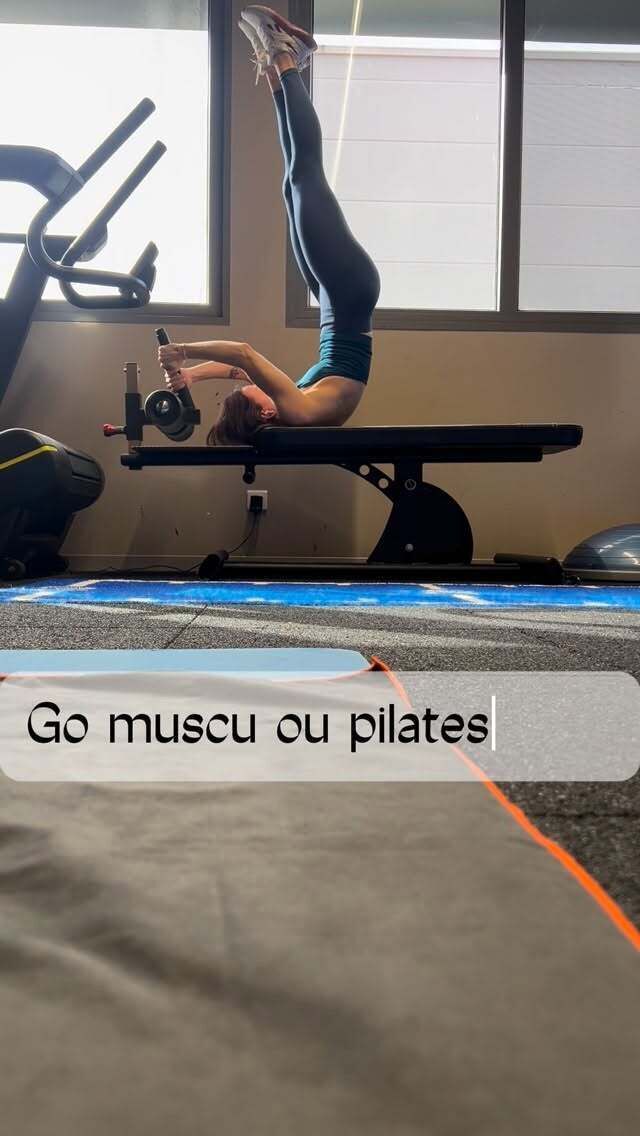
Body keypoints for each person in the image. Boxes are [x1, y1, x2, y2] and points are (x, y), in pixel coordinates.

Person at [158, 5, 380, 445]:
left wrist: (192, 375)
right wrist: (181, 350)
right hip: (349, 294)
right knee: (304, 176)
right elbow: (243, 354)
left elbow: (238, 370)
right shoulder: (297, 410)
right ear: (263, 411)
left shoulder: (290, 405)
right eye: (246, 394)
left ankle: (280, 67)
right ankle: (284, 54)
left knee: (290, 185)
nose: (246, 384)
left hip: (337, 306)